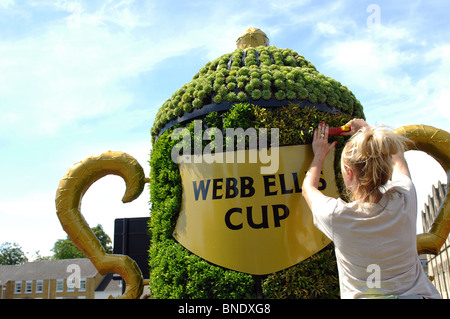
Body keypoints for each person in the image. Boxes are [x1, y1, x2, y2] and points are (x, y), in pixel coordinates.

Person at [302, 119, 441, 299]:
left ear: (349, 173)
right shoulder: (405, 198)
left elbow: (308, 189)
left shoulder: (337, 216)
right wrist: (367, 129)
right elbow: (399, 159)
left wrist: (319, 154)